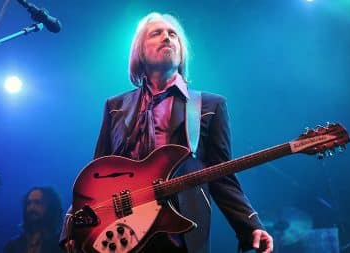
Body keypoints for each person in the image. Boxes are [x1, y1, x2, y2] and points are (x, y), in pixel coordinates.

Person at [62, 12, 273, 253]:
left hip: (180, 230)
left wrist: (250, 224)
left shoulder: (209, 106)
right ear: (140, 51)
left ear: (181, 52)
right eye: (157, 33)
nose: (167, 38)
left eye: (173, 34)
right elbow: (96, 173)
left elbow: (221, 174)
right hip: (123, 233)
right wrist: (72, 225)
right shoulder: (116, 107)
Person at [4, 186, 65, 253]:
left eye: (37, 202)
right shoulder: (13, 245)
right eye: (28, 203)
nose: (31, 207)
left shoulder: (61, 244)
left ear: (50, 208)